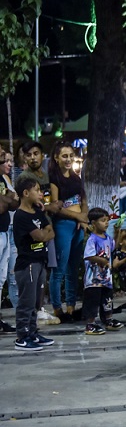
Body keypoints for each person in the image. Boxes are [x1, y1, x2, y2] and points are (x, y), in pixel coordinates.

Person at [12, 176, 56, 351]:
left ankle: (32, 332)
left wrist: (44, 233)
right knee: (27, 301)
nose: (41, 193)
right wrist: (44, 234)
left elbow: (50, 232)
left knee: (36, 302)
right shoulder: (21, 216)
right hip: (27, 263)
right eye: (37, 190)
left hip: (40, 261)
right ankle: (22, 337)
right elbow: (40, 236)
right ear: (25, 193)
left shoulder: (38, 212)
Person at [20, 141, 61, 325]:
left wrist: (51, 207)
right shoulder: (24, 178)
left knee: (45, 270)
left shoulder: (45, 175)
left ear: (42, 155)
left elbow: (50, 202)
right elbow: (34, 206)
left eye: (36, 153)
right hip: (34, 230)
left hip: (47, 226)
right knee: (35, 271)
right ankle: (34, 311)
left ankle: (40, 308)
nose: (32, 157)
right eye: (28, 154)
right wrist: (50, 207)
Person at [48, 142, 89, 320]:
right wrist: (77, 217)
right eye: (64, 156)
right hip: (63, 225)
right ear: (56, 158)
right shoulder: (54, 179)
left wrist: (84, 216)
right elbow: (56, 207)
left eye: (71, 155)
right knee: (59, 269)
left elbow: (84, 199)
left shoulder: (76, 177)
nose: (68, 159)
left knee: (73, 268)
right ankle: (57, 309)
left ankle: (71, 307)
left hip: (78, 226)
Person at [82, 208, 123, 335]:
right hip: (93, 279)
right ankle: (90, 323)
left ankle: (108, 319)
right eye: (103, 221)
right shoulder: (92, 239)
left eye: (107, 221)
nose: (106, 223)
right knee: (93, 301)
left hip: (106, 278)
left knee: (107, 300)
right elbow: (89, 256)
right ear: (93, 223)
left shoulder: (108, 238)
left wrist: (117, 232)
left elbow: (114, 246)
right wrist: (103, 261)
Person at [0, 150, 20, 334]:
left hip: (6, 231)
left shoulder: (3, 178)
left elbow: (15, 202)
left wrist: (8, 198)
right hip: (2, 232)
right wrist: (8, 199)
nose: (7, 162)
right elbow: (3, 205)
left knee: (3, 278)